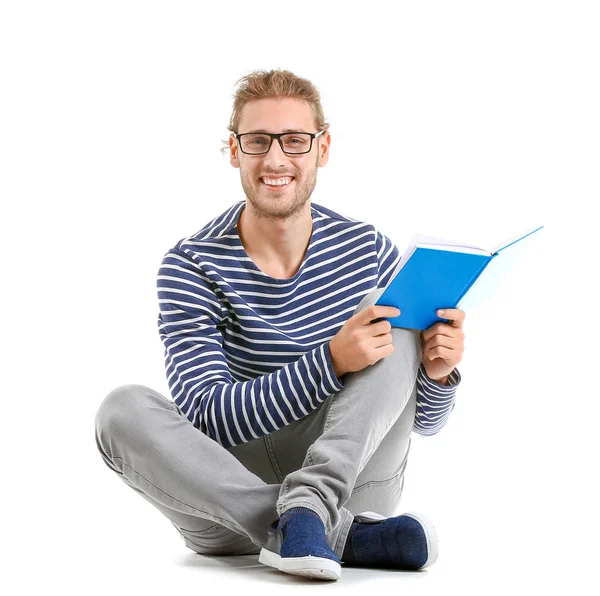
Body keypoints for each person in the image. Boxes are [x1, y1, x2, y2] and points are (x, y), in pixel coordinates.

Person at [94, 68, 465, 582]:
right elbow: (207, 417)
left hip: (351, 481)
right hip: (223, 498)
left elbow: (424, 424)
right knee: (121, 409)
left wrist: (437, 375)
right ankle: (325, 531)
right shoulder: (190, 265)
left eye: (294, 141)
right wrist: (331, 361)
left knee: (392, 310)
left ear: (322, 148)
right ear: (234, 150)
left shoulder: (368, 249)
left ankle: (311, 511)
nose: (275, 159)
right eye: (257, 141)